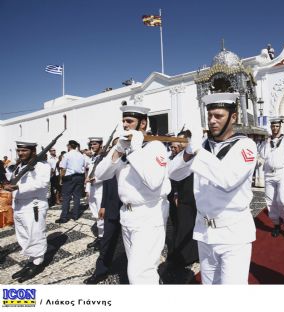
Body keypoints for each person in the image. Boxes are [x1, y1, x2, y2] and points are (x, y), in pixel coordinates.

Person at [169, 92, 257, 284]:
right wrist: (188, 153)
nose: (212, 121)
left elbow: (227, 179)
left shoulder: (246, 146)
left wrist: (198, 151)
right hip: (204, 231)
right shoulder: (202, 146)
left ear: (233, 117)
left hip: (232, 233)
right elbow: (173, 173)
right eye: (209, 116)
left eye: (218, 116)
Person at [95, 101, 170, 284]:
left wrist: (135, 150)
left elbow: (153, 181)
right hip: (127, 215)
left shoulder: (155, 147)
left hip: (149, 215)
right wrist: (119, 150)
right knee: (140, 270)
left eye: (129, 121)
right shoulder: (124, 146)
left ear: (142, 124)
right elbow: (99, 174)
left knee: (139, 274)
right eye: (124, 121)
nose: (125, 125)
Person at [2, 141, 51, 283]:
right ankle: (31, 259)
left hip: (33, 205)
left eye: (24, 150)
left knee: (35, 234)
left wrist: (17, 187)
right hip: (19, 206)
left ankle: (36, 263)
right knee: (23, 235)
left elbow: (42, 183)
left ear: (33, 151)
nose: (20, 153)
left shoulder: (42, 166)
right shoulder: (19, 166)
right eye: (19, 150)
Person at [84, 138, 125, 284]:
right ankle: (101, 271)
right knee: (107, 241)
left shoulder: (133, 159)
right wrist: (103, 205)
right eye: (116, 147)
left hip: (131, 207)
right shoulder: (109, 162)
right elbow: (106, 185)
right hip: (113, 205)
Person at [259, 118, 284, 239]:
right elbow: (262, 156)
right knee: (270, 201)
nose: (275, 128)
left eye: (277, 126)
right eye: (273, 126)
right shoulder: (267, 141)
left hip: (281, 173)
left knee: (283, 199)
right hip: (268, 174)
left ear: (280, 127)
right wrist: (266, 143)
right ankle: (276, 224)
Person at [165, 130, 199, 273]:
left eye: (181, 142)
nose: (175, 147)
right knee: (183, 226)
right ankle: (182, 256)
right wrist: (177, 194)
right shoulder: (179, 158)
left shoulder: (195, 155)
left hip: (195, 195)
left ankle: (193, 254)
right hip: (182, 196)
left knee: (193, 225)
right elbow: (174, 177)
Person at [56, 140, 86, 223]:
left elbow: (63, 168)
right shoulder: (81, 155)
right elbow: (84, 167)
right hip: (80, 177)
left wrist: (61, 179)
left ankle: (64, 217)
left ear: (69, 146)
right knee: (77, 197)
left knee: (66, 197)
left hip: (70, 177)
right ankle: (75, 215)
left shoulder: (67, 155)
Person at [85, 137, 105, 250]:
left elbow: (107, 175)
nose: (92, 146)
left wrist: (95, 179)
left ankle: (103, 238)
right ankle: (100, 236)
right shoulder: (94, 158)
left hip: (101, 189)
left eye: (95, 144)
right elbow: (89, 174)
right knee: (96, 215)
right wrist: (88, 189)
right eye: (91, 144)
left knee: (101, 216)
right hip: (93, 190)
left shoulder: (104, 157)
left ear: (101, 145)